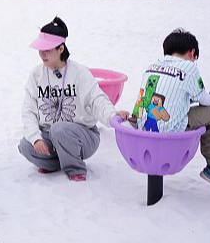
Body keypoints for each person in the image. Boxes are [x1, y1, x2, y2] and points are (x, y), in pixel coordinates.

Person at [18, 17, 130, 182]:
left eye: (47, 49)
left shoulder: (79, 72)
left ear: (61, 48)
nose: (42, 54)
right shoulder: (36, 74)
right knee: (25, 145)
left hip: (82, 135)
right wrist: (36, 138)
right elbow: (28, 110)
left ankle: (75, 168)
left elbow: (96, 99)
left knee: (59, 129)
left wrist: (112, 115)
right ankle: (57, 163)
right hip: (50, 135)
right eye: (40, 49)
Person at [130, 29, 210, 191]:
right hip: (171, 131)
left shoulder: (152, 66)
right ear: (192, 53)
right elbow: (204, 99)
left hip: (142, 131)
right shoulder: (188, 67)